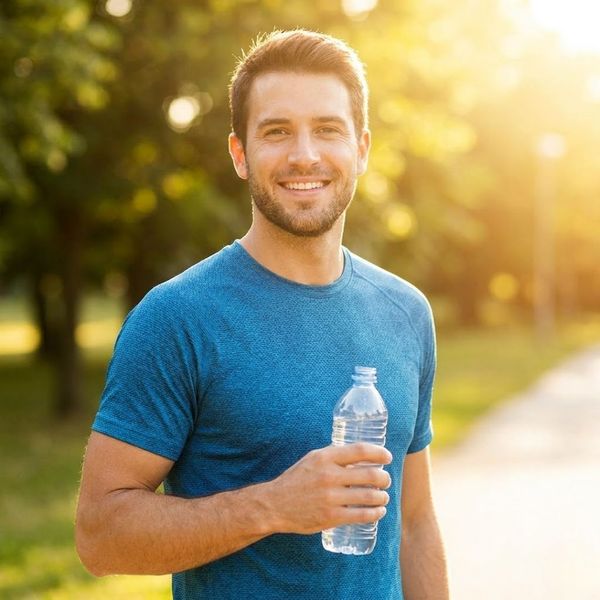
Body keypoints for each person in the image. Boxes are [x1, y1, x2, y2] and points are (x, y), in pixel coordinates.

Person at [75, 29, 450, 600]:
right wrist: (274, 506)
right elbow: (100, 536)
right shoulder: (177, 318)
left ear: (363, 149)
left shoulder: (405, 312)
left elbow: (414, 523)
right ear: (240, 154)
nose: (305, 154)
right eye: (277, 132)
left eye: (328, 129)